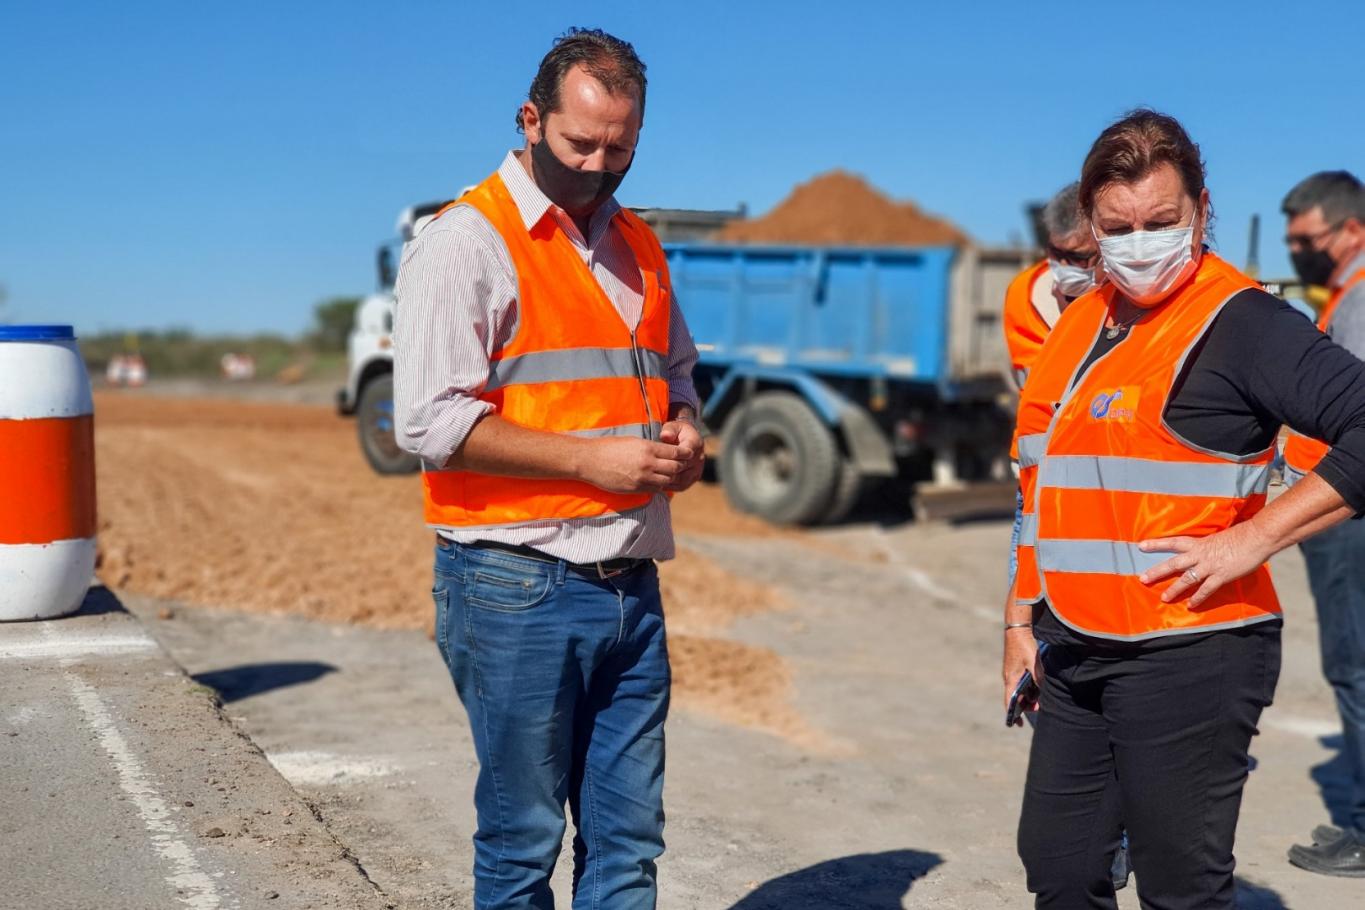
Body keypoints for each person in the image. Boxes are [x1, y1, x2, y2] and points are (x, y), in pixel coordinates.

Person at [1003, 109, 1365, 909]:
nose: (1137, 242)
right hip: (1072, 646)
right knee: (1058, 867)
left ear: (1200, 212)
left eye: (1159, 221)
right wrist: (1018, 620)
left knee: (1178, 887)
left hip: (1190, 650)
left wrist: (1253, 540)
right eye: (1116, 227)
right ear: (1090, 228)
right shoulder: (1079, 325)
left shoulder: (1240, 321)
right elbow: (1038, 485)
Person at [392, 29, 704, 910]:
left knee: (628, 841)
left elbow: (674, 374)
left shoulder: (638, 243)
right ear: (531, 120)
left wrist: (684, 433)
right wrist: (591, 460)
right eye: (580, 144)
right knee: (522, 839)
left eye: (620, 149)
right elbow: (429, 421)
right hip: (512, 582)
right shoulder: (465, 242)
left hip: (630, 584)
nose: (600, 167)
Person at [1277, 170, 1365, 876]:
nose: (1296, 251)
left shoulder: (1361, 299)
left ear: (1349, 231)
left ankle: (1363, 830)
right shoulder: (1343, 294)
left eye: (1303, 240)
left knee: (1353, 665)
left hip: (1346, 512)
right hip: (1340, 510)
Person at [1002, 182, 1099, 389]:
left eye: (1076, 257)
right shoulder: (1025, 294)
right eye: (1056, 253)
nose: (1063, 266)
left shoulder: (1131, 297)